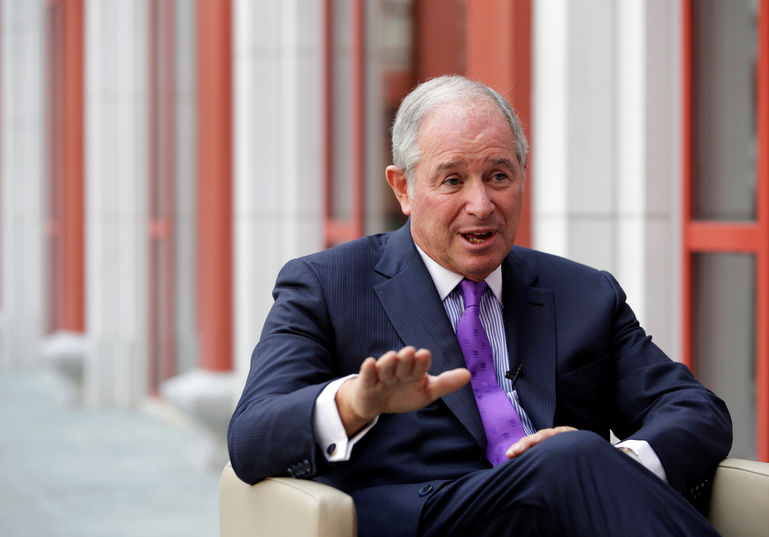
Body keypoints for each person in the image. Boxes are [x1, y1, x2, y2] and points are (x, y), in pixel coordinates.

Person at [228, 74, 732, 537]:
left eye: (498, 176)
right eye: (452, 180)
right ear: (403, 187)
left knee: (572, 456)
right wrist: (355, 405)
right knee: (570, 454)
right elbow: (251, 438)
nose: (481, 205)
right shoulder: (327, 285)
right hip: (430, 518)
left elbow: (695, 410)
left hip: (566, 510)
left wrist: (615, 467)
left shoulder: (584, 292)